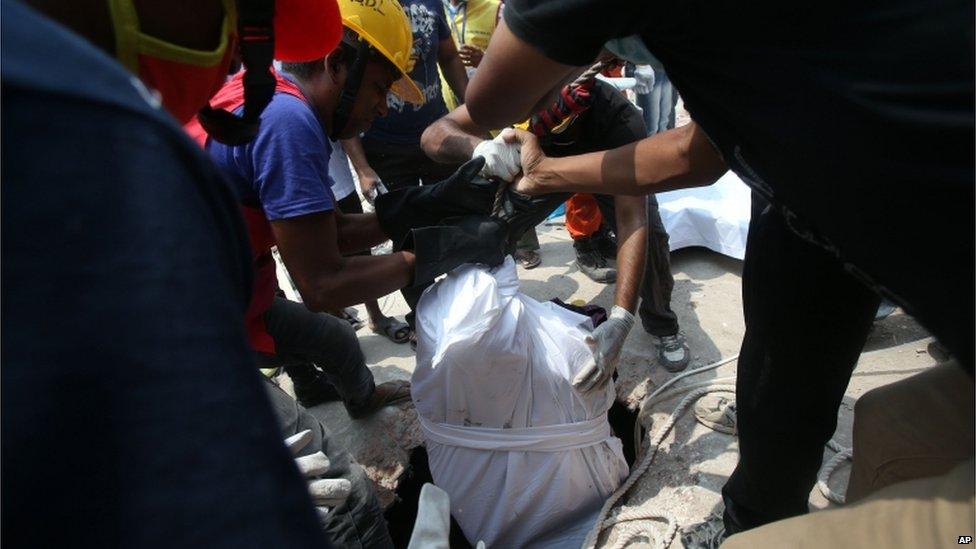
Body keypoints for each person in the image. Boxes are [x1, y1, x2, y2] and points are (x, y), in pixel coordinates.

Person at [461, 0, 974, 545]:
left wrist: (622, 314)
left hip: (896, 205)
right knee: (859, 417)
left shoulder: (616, 108)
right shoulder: (778, 44)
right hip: (808, 193)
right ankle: (755, 511)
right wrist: (536, 170)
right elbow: (699, 152)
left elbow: (493, 101)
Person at [2, 0, 344, 546]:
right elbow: (322, 280)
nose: (231, 60)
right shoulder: (84, 143)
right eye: (233, 31)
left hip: (243, 310)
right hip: (241, 319)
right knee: (346, 490)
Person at [188, 0, 435, 416]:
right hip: (189, 317)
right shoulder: (287, 121)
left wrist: (421, 206)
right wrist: (433, 254)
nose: (382, 108)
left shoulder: (271, 91)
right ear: (336, 63)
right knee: (305, 443)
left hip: (234, 289)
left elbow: (333, 232)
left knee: (336, 339)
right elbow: (322, 285)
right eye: (379, 88)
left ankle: (362, 400)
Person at [422, 77, 649, 390]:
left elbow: (632, 218)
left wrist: (622, 318)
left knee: (652, 245)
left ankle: (662, 324)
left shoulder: (620, 120)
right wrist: (481, 148)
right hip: (537, 166)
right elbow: (433, 135)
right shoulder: (516, 90)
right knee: (488, 231)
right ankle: (492, 334)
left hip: (607, 161)